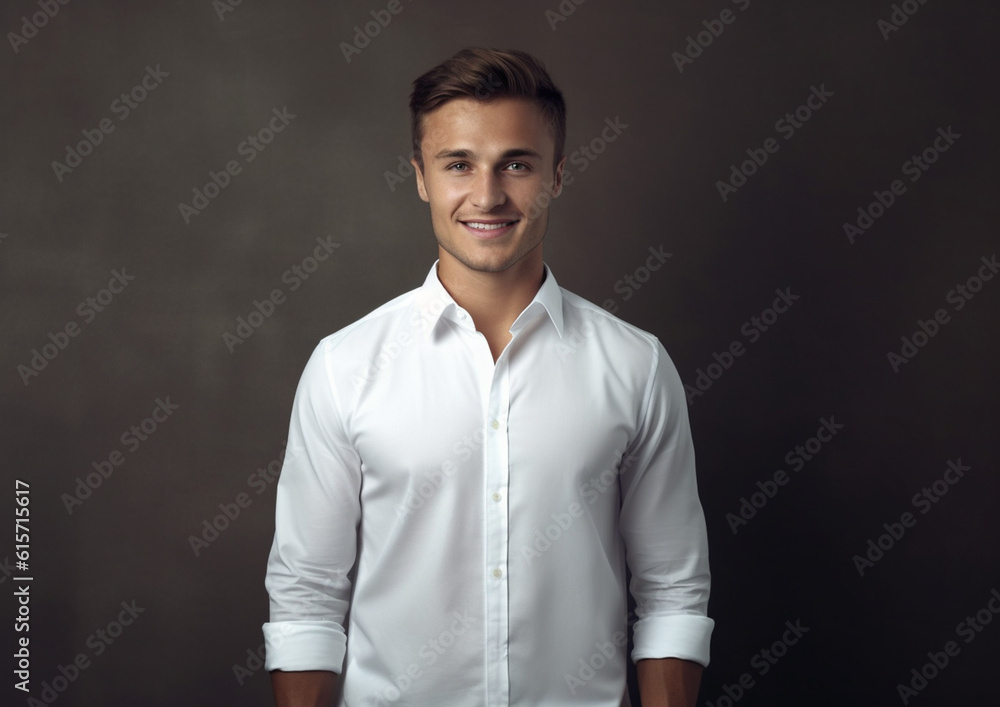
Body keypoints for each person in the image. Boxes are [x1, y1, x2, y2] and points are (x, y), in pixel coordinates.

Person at [263, 47, 714, 707]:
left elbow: (673, 589)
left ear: (557, 175)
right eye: (458, 164)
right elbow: (306, 598)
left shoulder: (636, 366)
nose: (488, 194)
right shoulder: (344, 366)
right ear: (420, 177)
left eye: (517, 164)